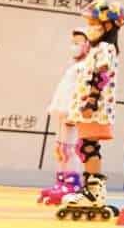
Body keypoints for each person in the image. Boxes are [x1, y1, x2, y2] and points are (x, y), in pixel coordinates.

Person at [57, 0, 124, 221]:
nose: (90, 27)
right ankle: (92, 190)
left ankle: (94, 193)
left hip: (94, 109)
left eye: (94, 22)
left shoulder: (105, 48)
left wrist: (91, 102)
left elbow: (100, 76)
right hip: (90, 108)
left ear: (108, 26)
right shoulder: (98, 49)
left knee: (88, 147)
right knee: (87, 146)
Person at [38, 28, 89, 205]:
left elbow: (82, 91)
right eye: (72, 42)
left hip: (72, 112)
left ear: (88, 45)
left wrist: (76, 112)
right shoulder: (75, 65)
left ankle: (72, 185)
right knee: (60, 149)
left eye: (78, 43)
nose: (73, 46)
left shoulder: (86, 66)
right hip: (62, 110)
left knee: (70, 149)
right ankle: (60, 183)